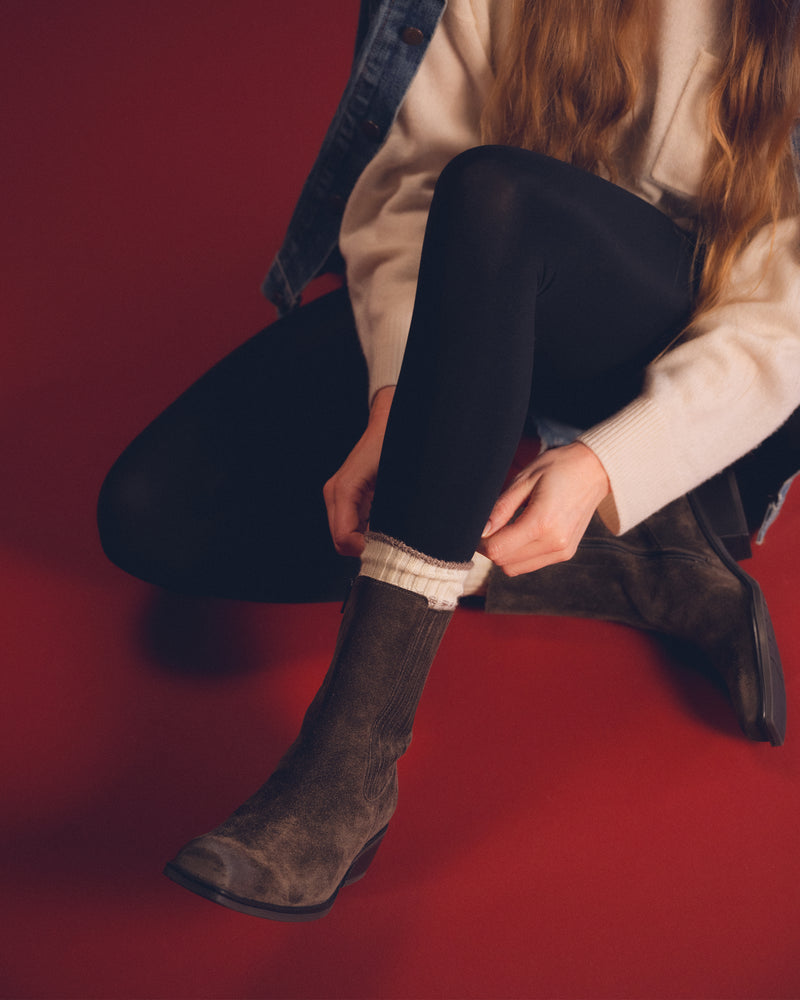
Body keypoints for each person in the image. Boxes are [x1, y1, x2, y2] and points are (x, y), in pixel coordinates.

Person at [97, 0, 800, 921]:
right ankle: (630, 568)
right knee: (151, 511)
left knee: (507, 191)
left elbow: (785, 312)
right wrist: (400, 393)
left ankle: (346, 770)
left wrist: (609, 462)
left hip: (688, 334)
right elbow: (417, 185)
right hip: (484, 291)